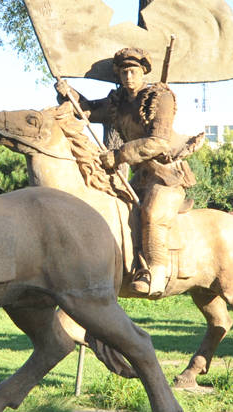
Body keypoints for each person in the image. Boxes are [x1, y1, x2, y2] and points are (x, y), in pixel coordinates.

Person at [56, 47, 195, 298]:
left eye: (132, 71)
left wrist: (118, 156)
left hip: (166, 175)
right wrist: (68, 94)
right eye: (123, 73)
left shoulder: (161, 98)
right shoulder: (118, 103)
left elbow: (158, 142)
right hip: (140, 176)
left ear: (143, 72)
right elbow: (85, 110)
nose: (128, 77)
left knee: (152, 213)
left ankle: (156, 271)